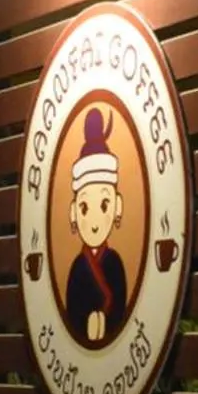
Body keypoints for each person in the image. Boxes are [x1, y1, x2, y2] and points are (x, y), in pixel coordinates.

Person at [64, 107, 128, 345]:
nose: (93, 223)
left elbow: (121, 307)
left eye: (104, 205)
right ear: (73, 212)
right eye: (84, 208)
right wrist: (84, 323)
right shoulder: (77, 267)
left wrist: (106, 322)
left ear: (117, 207)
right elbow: (72, 309)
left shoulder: (114, 262)